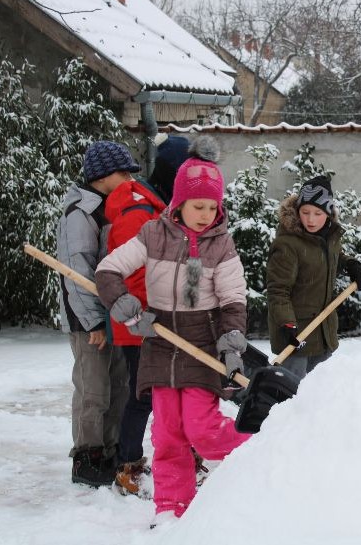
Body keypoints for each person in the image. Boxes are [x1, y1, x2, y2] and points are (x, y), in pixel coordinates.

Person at [95, 137, 250, 525]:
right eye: (198, 206)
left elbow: (233, 298)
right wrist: (125, 306)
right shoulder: (153, 234)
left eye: (213, 206)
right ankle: (171, 511)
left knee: (203, 430)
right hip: (161, 342)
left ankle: (261, 447)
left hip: (201, 342)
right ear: (178, 202)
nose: (205, 214)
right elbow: (109, 270)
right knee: (167, 436)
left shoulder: (222, 244)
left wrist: (232, 342)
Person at [57, 140, 137, 487]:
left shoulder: (113, 207)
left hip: (111, 314)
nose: (128, 178)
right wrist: (93, 321)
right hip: (88, 319)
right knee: (94, 389)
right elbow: (77, 272)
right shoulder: (81, 213)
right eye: (123, 172)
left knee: (119, 384)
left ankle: (111, 449)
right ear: (102, 175)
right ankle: (87, 457)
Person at [104, 159, 169, 497]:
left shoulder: (150, 208)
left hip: (153, 319)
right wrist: (148, 314)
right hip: (139, 321)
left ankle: (172, 457)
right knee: (143, 395)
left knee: (161, 393)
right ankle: (128, 464)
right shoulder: (136, 214)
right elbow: (132, 275)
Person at [266, 175, 361, 380]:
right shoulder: (288, 244)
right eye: (305, 212)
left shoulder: (328, 238)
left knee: (321, 396)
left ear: (328, 213)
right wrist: (287, 324)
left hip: (323, 332)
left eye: (317, 213)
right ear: (297, 211)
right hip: (296, 335)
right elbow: (278, 290)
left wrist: (351, 265)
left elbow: (332, 257)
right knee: (292, 396)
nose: (311, 219)